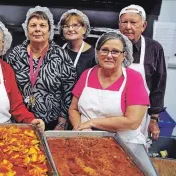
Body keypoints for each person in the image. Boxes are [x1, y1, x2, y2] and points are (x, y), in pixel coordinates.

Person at [68, 31, 150, 145]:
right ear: (97, 52)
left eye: (115, 51)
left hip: (124, 144)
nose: (109, 55)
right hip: (86, 140)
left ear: (124, 55)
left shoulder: (133, 78)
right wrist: (81, 128)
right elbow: (73, 109)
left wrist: (92, 123)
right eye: (104, 50)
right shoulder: (87, 74)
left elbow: (133, 122)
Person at [7, 6, 77, 130]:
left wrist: (62, 122)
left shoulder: (60, 55)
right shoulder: (16, 54)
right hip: (20, 120)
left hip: (51, 123)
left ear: (49, 30)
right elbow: (8, 87)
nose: (37, 29)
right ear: (26, 29)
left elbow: (69, 90)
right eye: (33, 25)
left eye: (42, 25)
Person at [119, 5, 167, 140]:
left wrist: (154, 119)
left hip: (139, 116)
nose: (128, 27)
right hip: (110, 114)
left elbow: (158, 86)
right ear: (119, 24)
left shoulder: (154, 49)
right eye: (124, 22)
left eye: (133, 22)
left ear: (144, 25)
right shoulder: (110, 45)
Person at [58, 9, 96, 80]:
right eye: (66, 26)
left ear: (84, 29)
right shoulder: (57, 52)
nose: (70, 29)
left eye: (75, 25)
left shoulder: (94, 56)